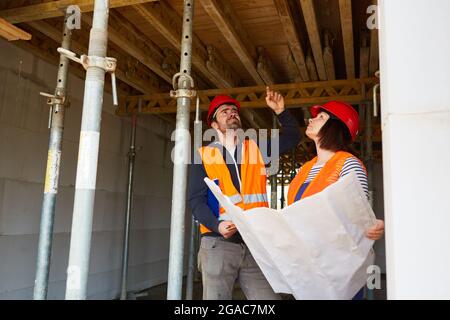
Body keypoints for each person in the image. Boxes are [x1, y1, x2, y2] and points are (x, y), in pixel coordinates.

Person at [188, 88, 300, 300]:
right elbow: (196, 201)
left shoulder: (256, 148)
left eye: (234, 110)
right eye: (224, 111)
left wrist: (281, 111)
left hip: (255, 244)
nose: (232, 113)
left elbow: (293, 137)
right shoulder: (202, 156)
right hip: (218, 242)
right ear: (213, 125)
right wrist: (217, 225)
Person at [286, 101, 385, 299]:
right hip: (308, 264)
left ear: (335, 127)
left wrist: (376, 225)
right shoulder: (305, 169)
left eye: (321, 117)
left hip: (338, 268)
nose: (311, 119)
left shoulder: (348, 164)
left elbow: (359, 217)